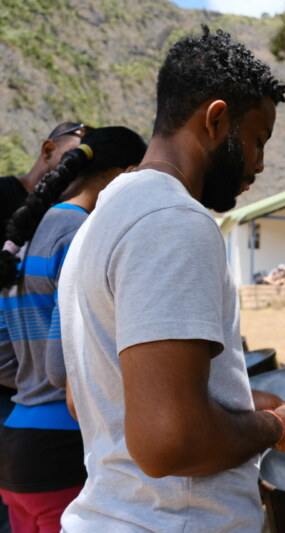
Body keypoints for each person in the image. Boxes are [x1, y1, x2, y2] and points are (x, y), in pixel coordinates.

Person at [57, 26, 285, 532]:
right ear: (217, 119)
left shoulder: (101, 221)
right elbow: (169, 440)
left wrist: (250, 404)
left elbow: (86, 395)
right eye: (257, 141)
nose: (261, 164)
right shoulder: (174, 220)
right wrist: (278, 427)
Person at [0, 127, 147, 533]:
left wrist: (31, 385)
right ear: (125, 174)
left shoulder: (28, 231)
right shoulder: (80, 236)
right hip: (62, 449)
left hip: (17, 442)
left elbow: (2, 351)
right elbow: (62, 368)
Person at [0, 123, 92, 244]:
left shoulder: (67, 219)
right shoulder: (3, 192)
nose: (78, 167)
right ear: (48, 150)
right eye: (73, 156)